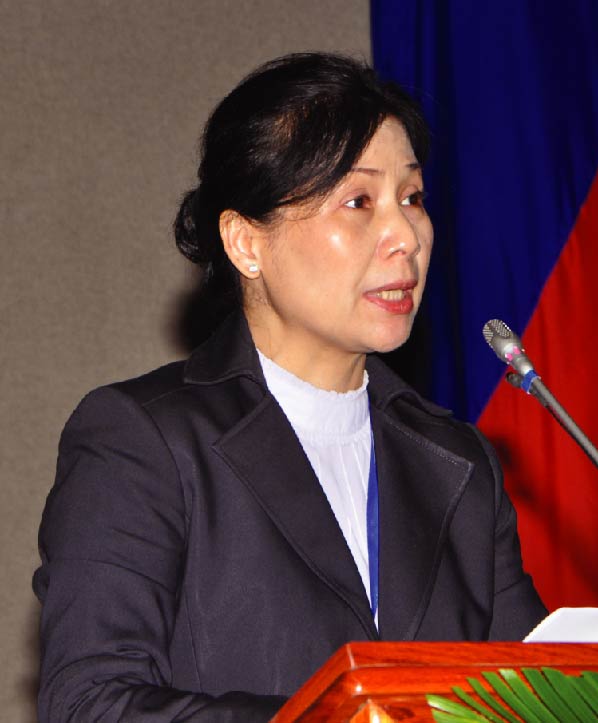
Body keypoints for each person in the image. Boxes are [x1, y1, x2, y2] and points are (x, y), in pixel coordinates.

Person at [33, 52, 546, 722]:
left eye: (412, 198)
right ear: (246, 243)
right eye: (358, 201)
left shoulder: (459, 461)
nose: (405, 236)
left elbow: (536, 695)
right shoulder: (145, 440)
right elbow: (90, 703)